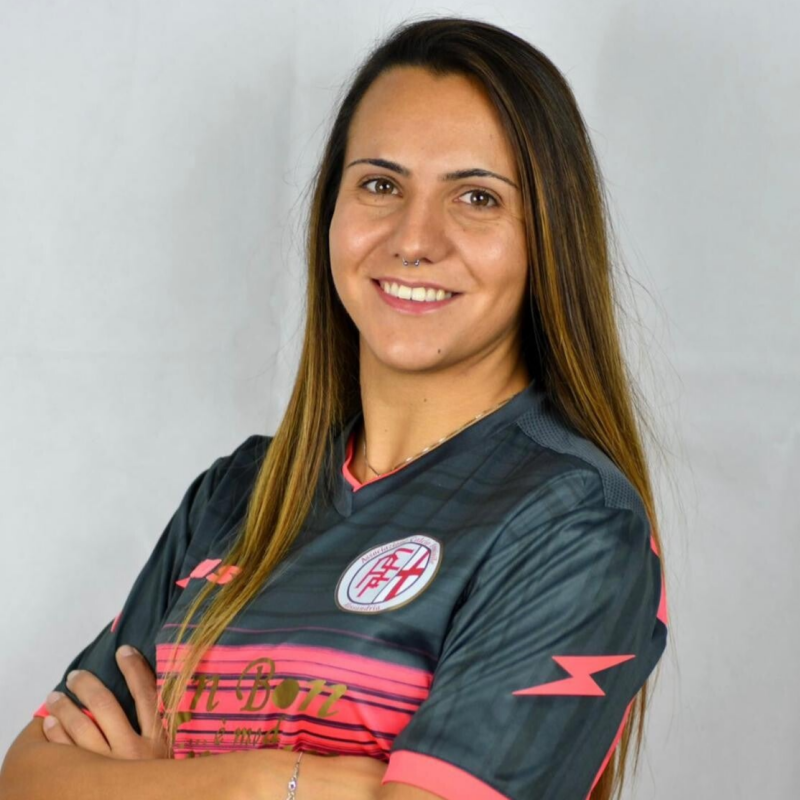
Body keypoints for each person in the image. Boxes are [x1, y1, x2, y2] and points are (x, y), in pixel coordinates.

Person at [0, 15, 669, 800]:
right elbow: (29, 776)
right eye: (381, 185)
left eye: (476, 197)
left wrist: (153, 783)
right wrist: (264, 783)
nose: (414, 239)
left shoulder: (575, 523)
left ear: (549, 236)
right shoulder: (235, 494)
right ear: (332, 210)